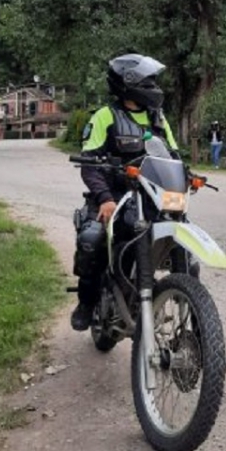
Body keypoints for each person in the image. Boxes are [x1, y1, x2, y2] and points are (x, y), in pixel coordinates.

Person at [70, 53, 179, 332]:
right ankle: (86, 302)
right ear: (128, 84)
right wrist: (105, 198)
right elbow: (89, 165)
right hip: (113, 197)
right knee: (91, 240)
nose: (154, 86)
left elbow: (173, 156)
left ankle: (193, 320)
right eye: (148, 81)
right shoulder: (105, 116)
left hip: (152, 197)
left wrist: (185, 176)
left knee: (183, 247)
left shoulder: (158, 118)